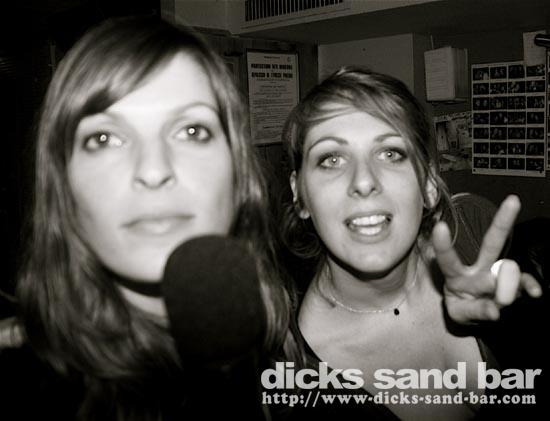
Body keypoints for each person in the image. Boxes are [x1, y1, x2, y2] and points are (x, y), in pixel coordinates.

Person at [1, 15, 299, 419]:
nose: (154, 169)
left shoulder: (285, 357)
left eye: (192, 131)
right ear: (64, 188)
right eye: (104, 138)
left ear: (237, 174)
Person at [281, 67, 544, 419]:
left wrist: (509, 324)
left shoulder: (475, 263)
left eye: (390, 153)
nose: (363, 181)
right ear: (300, 195)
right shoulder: (294, 378)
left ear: (429, 185)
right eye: (331, 159)